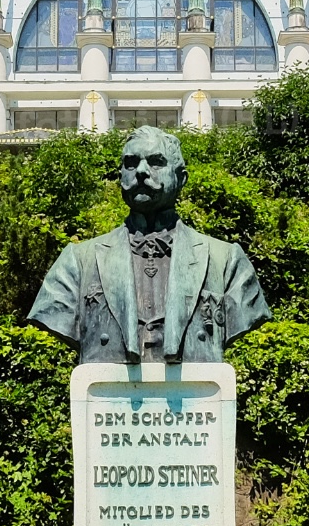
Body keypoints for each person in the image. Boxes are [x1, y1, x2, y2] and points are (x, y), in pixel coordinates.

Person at [27, 127, 270, 364]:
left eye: (156, 162)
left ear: (181, 178)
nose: (141, 171)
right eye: (131, 163)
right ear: (120, 176)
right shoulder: (76, 262)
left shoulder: (227, 260)